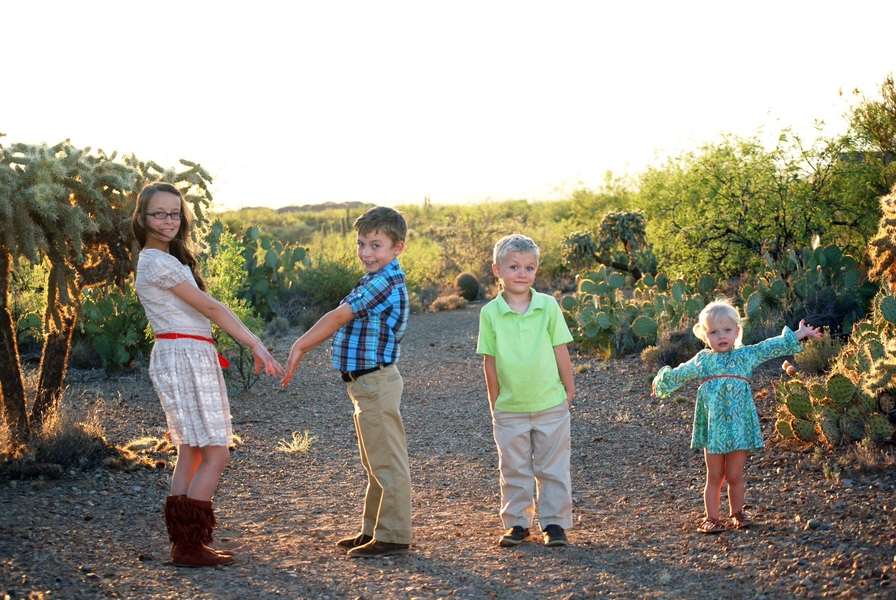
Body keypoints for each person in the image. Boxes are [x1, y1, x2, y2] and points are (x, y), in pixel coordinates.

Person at [132, 181, 285, 567]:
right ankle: (188, 545)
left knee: (193, 452)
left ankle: (186, 545)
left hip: (185, 352)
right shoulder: (157, 261)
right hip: (184, 355)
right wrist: (254, 343)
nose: (169, 220)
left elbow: (211, 310)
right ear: (142, 218)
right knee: (215, 453)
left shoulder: (165, 259)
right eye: (159, 213)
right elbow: (214, 309)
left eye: (175, 213)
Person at [281, 206, 413, 558]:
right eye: (361, 244)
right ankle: (373, 529)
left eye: (376, 245)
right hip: (364, 384)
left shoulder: (384, 280)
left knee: (387, 461)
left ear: (397, 247)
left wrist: (300, 346)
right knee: (375, 462)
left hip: (376, 381)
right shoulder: (375, 279)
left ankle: (395, 535)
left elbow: (339, 316)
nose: (366, 253)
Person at [652, 299, 822, 533]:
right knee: (715, 476)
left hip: (740, 426)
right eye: (714, 331)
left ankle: (738, 513)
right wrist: (661, 383)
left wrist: (798, 334)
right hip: (714, 430)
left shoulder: (745, 356)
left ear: (737, 332)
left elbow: (768, 346)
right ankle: (711, 518)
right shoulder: (703, 360)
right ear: (705, 336)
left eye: (727, 330)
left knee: (734, 475)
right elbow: (680, 373)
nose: (721, 335)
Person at [476, 234, 575, 548]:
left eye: (529, 267)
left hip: (551, 402)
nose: (522, 273)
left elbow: (560, 350)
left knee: (553, 467)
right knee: (514, 467)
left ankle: (555, 524)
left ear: (536, 271)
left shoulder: (547, 306)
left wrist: (568, 390)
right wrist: (495, 402)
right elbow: (489, 361)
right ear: (497, 270)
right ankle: (518, 523)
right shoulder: (490, 313)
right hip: (510, 407)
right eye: (514, 266)